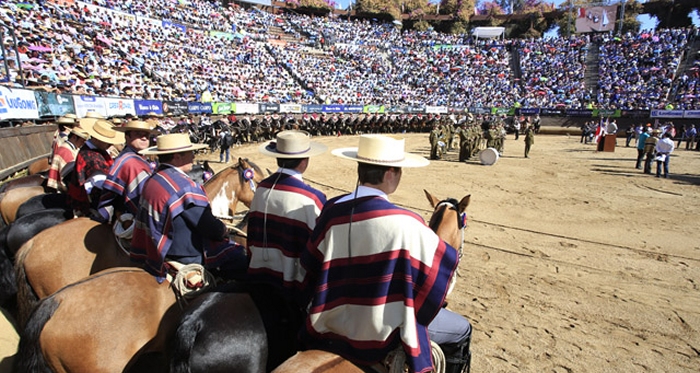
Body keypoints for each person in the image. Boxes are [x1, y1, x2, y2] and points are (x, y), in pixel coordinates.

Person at [300, 135, 472, 373]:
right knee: (462, 329)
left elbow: (310, 262)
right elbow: (435, 288)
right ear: (391, 173)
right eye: (399, 170)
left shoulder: (331, 210)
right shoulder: (410, 222)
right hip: (381, 335)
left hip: (329, 320)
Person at [247, 130, 328, 368]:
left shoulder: (261, 187)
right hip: (292, 284)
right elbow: (320, 247)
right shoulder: (311, 197)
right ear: (304, 161)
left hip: (259, 274)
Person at [130, 134, 248, 283]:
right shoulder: (185, 186)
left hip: (156, 247)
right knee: (243, 262)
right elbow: (209, 227)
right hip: (186, 254)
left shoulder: (154, 179)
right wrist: (223, 229)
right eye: (190, 153)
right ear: (177, 157)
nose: (193, 156)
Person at [95, 120, 160, 224]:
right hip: (130, 217)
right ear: (127, 136)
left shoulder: (140, 158)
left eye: (147, 135)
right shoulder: (129, 162)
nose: (144, 138)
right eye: (138, 134)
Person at [66, 119, 125, 216]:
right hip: (90, 203)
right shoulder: (93, 159)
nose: (110, 144)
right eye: (107, 142)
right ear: (97, 139)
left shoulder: (94, 150)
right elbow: (102, 185)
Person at [47, 125, 90, 193]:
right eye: (82, 141)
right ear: (74, 137)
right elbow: (68, 174)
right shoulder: (65, 151)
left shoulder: (71, 148)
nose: (82, 143)